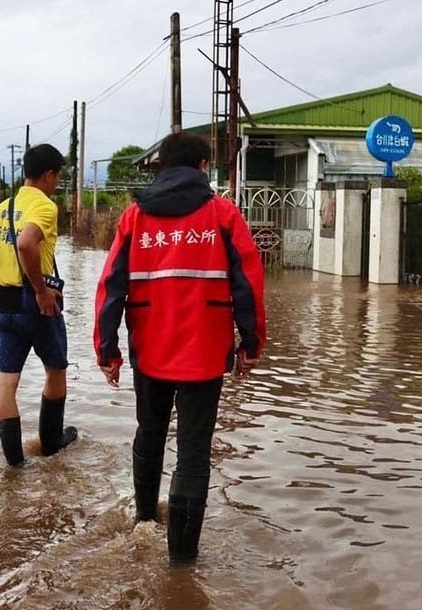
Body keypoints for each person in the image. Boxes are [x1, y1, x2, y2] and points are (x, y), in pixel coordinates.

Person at [93, 132, 266, 565]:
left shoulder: (135, 217)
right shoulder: (223, 214)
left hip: (148, 349)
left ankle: (143, 523)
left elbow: (110, 285)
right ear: (204, 167)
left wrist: (107, 349)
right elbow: (249, 282)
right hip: (206, 352)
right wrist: (251, 341)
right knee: (193, 450)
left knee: (148, 436)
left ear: (161, 168)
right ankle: (182, 565)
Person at [0, 144, 77, 468]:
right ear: (49, 175)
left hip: (3, 303)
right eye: (58, 177)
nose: (57, 183)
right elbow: (26, 243)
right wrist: (41, 291)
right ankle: (52, 445)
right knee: (56, 370)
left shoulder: (0, 209)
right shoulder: (44, 206)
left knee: (6, 383)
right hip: (36, 304)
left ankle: (15, 466)